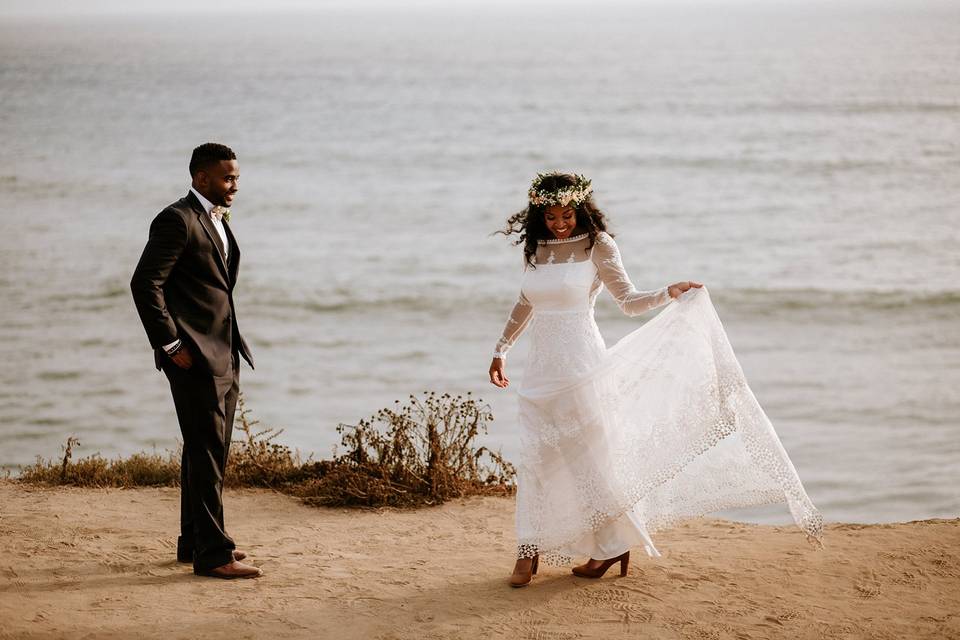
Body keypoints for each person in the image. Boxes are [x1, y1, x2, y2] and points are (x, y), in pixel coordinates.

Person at [490, 172, 821, 588]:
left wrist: (669, 292)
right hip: (540, 369)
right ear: (540, 213)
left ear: (580, 208)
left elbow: (628, 301)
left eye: (568, 214)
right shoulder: (535, 247)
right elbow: (526, 301)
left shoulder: (599, 245)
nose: (560, 223)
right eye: (552, 216)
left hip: (582, 366)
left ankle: (609, 547)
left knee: (590, 461)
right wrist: (501, 350)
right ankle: (528, 550)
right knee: (537, 459)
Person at [130, 143, 260, 579]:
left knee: (208, 452)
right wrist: (170, 345)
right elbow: (145, 284)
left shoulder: (217, 220)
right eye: (228, 178)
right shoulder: (176, 220)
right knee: (206, 453)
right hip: (192, 358)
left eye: (237, 177)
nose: (235, 185)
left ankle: (195, 542)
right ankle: (213, 555)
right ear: (201, 178)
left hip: (225, 353)